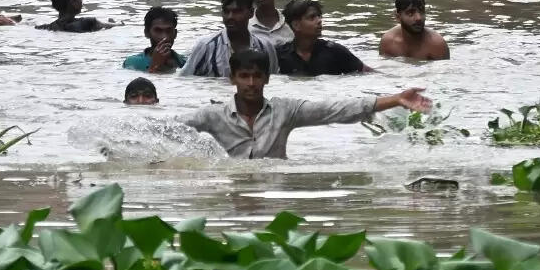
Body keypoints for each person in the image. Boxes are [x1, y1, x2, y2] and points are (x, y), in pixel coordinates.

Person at [181, 49, 432, 159]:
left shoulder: (285, 110)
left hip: (275, 189)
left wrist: (396, 99)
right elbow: (167, 130)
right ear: (232, 79)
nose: (251, 83)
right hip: (232, 188)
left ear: (267, 78)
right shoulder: (212, 115)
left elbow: (334, 110)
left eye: (257, 76)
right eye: (244, 76)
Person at [182, 0, 280, 77]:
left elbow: (272, 83)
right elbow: (184, 80)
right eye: (226, 11)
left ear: (251, 12)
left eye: (237, 12)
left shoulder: (266, 47)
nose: (230, 17)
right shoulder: (206, 46)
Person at [276, 0, 369, 76]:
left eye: (319, 16)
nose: (319, 21)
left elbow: (368, 74)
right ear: (296, 25)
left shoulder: (335, 52)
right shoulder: (279, 56)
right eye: (312, 17)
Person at [379, 0, 450, 60]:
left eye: (421, 11)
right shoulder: (387, 43)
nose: (418, 18)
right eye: (410, 13)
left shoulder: (437, 45)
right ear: (398, 17)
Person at [123, 6, 185, 73]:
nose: (164, 37)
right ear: (147, 33)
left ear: (175, 34)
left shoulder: (186, 63)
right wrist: (154, 66)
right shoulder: (132, 63)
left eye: (169, 31)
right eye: (158, 30)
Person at [36, 0, 114, 32]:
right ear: (73, 1)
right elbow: (113, 26)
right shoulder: (88, 23)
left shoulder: (48, 27)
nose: (81, 0)